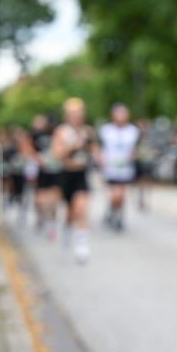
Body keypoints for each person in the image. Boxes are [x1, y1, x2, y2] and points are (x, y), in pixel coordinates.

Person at [52, 98, 97, 264]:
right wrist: (73, 146)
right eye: (73, 114)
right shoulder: (62, 131)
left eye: (79, 113)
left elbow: (93, 149)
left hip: (81, 174)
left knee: (81, 209)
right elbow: (56, 154)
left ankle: (82, 246)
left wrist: (96, 154)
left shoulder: (87, 131)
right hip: (66, 174)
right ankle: (67, 230)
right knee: (70, 212)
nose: (76, 117)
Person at [98, 103, 140, 232]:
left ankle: (118, 217)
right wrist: (100, 159)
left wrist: (135, 155)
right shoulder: (106, 130)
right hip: (110, 168)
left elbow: (136, 149)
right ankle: (112, 210)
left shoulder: (133, 131)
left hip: (125, 168)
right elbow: (99, 148)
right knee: (114, 195)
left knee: (121, 194)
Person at [28, 113, 62, 238]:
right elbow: (29, 148)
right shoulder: (37, 135)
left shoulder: (59, 135)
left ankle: (52, 225)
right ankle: (41, 216)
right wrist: (37, 159)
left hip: (56, 171)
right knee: (40, 201)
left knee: (53, 201)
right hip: (41, 171)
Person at [134, 117, 157, 212]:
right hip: (140, 160)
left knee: (147, 179)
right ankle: (141, 197)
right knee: (140, 179)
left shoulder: (150, 136)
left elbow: (154, 147)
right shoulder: (136, 136)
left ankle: (146, 198)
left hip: (148, 160)